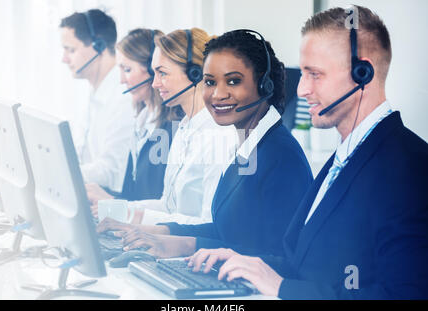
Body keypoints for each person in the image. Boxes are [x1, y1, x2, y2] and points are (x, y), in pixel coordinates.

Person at [187, 6, 428, 299]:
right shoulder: (344, 159)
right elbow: (309, 268)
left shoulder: (410, 168)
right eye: (303, 74)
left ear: (362, 73)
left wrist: (281, 287)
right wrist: (249, 263)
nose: (301, 89)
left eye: (315, 74)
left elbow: (403, 295)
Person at [97, 30, 313, 259]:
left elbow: (278, 255)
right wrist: (158, 234)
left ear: (264, 85)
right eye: (210, 82)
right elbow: (225, 231)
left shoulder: (278, 156)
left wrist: (180, 244)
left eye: (233, 81)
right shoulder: (246, 144)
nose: (217, 94)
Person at [97, 28, 237, 226]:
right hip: (171, 248)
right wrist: (112, 211)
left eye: (162, 73)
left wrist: (134, 218)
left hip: (193, 252)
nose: (154, 84)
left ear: (195, 73)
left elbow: (208, 224)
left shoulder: (220, 134)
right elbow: (168, 206)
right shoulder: (184, 128)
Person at [85, 28, 183, 213]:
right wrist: (105, 200)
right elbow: (135, 196)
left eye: (127, 70)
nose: (122, 80)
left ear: (152, 70)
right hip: (135, 231)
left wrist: (111, 201)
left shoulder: (175, 129)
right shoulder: (142, 122)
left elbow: (166, 206)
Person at [60, 9, 134, 192]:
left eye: (71, 50)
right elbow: (81, 154)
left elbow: (110, 171)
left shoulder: (123, 97)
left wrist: (61, 174)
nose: (64, 59)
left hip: (109, 200)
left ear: (99, 46)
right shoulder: (94, 92)